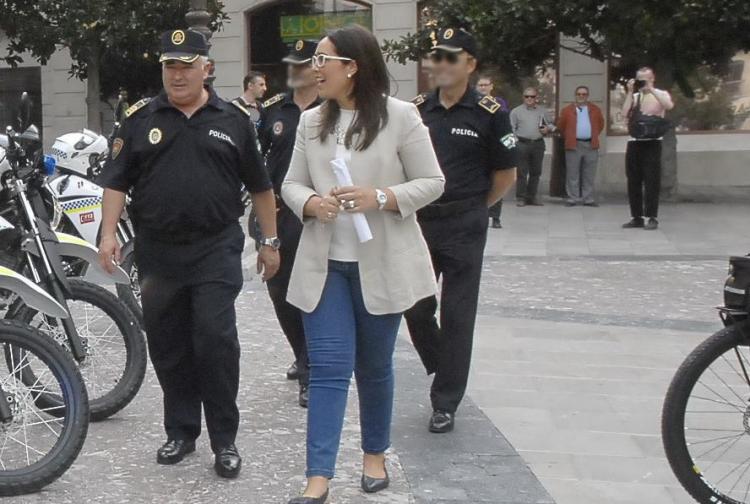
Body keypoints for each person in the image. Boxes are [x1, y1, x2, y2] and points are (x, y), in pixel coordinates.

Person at [96, 29, 280, 479]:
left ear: (206, 68)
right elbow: (116, 181)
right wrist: (106, 235)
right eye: (169, 66)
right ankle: (181, 430)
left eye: (185, 66)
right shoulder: (140, 118)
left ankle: (225, 439)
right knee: (169, 343)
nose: (176, 75)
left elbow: (260, 186)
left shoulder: (234, 120)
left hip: (215, 248)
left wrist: (270, 241)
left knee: (214, 339)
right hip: (158, 252)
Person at [282, 24, 445, 504]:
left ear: (351, 67)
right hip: (325, 264)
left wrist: (381, 196)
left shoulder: (401, 118)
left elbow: (433, 181)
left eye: (322, 59)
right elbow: (290, 183)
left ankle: (374, 454)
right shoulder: (311, 121)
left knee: (374, 366)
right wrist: (312, 203)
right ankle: (319, 477)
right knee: (329, 367)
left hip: (381, 262)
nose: (315, 68)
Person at [405, 27, 518, 435]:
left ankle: (445, 401)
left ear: (470, 64)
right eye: (437, 57)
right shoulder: (417, 110)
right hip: (421, 221)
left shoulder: (490, 112)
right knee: (414, 304)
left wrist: (475, 208)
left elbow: (505, 174)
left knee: (458, 314)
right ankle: (441, 361)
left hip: (466, 222)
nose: (441, 65)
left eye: (450, 58)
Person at [256, 39, 321, 408]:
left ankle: (312, 372)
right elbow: (258, 161)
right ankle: (302, 351)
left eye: (304, 64)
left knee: (310, 295)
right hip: (278, 215)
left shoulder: (332, 109)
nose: (296, 70)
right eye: (292, 64)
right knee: (279, 292)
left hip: (314, 215)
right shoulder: (273, 110)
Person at [621, 66, 674, 230]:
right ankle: (636, 216)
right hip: (634, 142)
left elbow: (669, 106)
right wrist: (630, 92)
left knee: (652, 180)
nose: (642, 82)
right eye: (640, 79)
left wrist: (651, 89)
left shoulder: (660, 94)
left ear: (652, 78)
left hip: (652, 142)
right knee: (633, 181)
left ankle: (652, 216)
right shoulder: (635, 97)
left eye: (645, 79)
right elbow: (624, 113)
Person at [556, 85, 605, 206]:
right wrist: (570, 135)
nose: (581, 96)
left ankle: (588, 198)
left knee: (589, 173)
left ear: (587, 96)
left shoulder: (595, 109)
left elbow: (600, 124)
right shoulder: (567, 110)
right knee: (573, 173)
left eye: (584, 94)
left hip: (590, 145)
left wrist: (590, 135)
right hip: (574, 144)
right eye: (579, 94)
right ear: (575, 95)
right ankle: (573, 198)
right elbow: (561, 126)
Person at [509, 87, 554, 206]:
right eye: (527, 96)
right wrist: (515, 144)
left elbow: (552, 125)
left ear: (536, 98)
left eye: (532, 97)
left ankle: (531, 197)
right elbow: (511, 129)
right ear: (523, 98)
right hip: (522, 144)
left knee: (536, 172)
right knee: (522, 172)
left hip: (538, 144)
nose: (529, 99)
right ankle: (521, 197)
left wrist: (548, 129)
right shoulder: (516, 111)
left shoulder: (542, 111)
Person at [475, 74, 509, 228]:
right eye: (480, 85)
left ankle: (495, 217)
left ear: (491, 86)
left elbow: (502, 123)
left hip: (493, 147)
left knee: (496, 181)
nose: (483, 87)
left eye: (485, 85)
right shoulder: (471, 103)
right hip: (477, 147)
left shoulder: (499, 103)